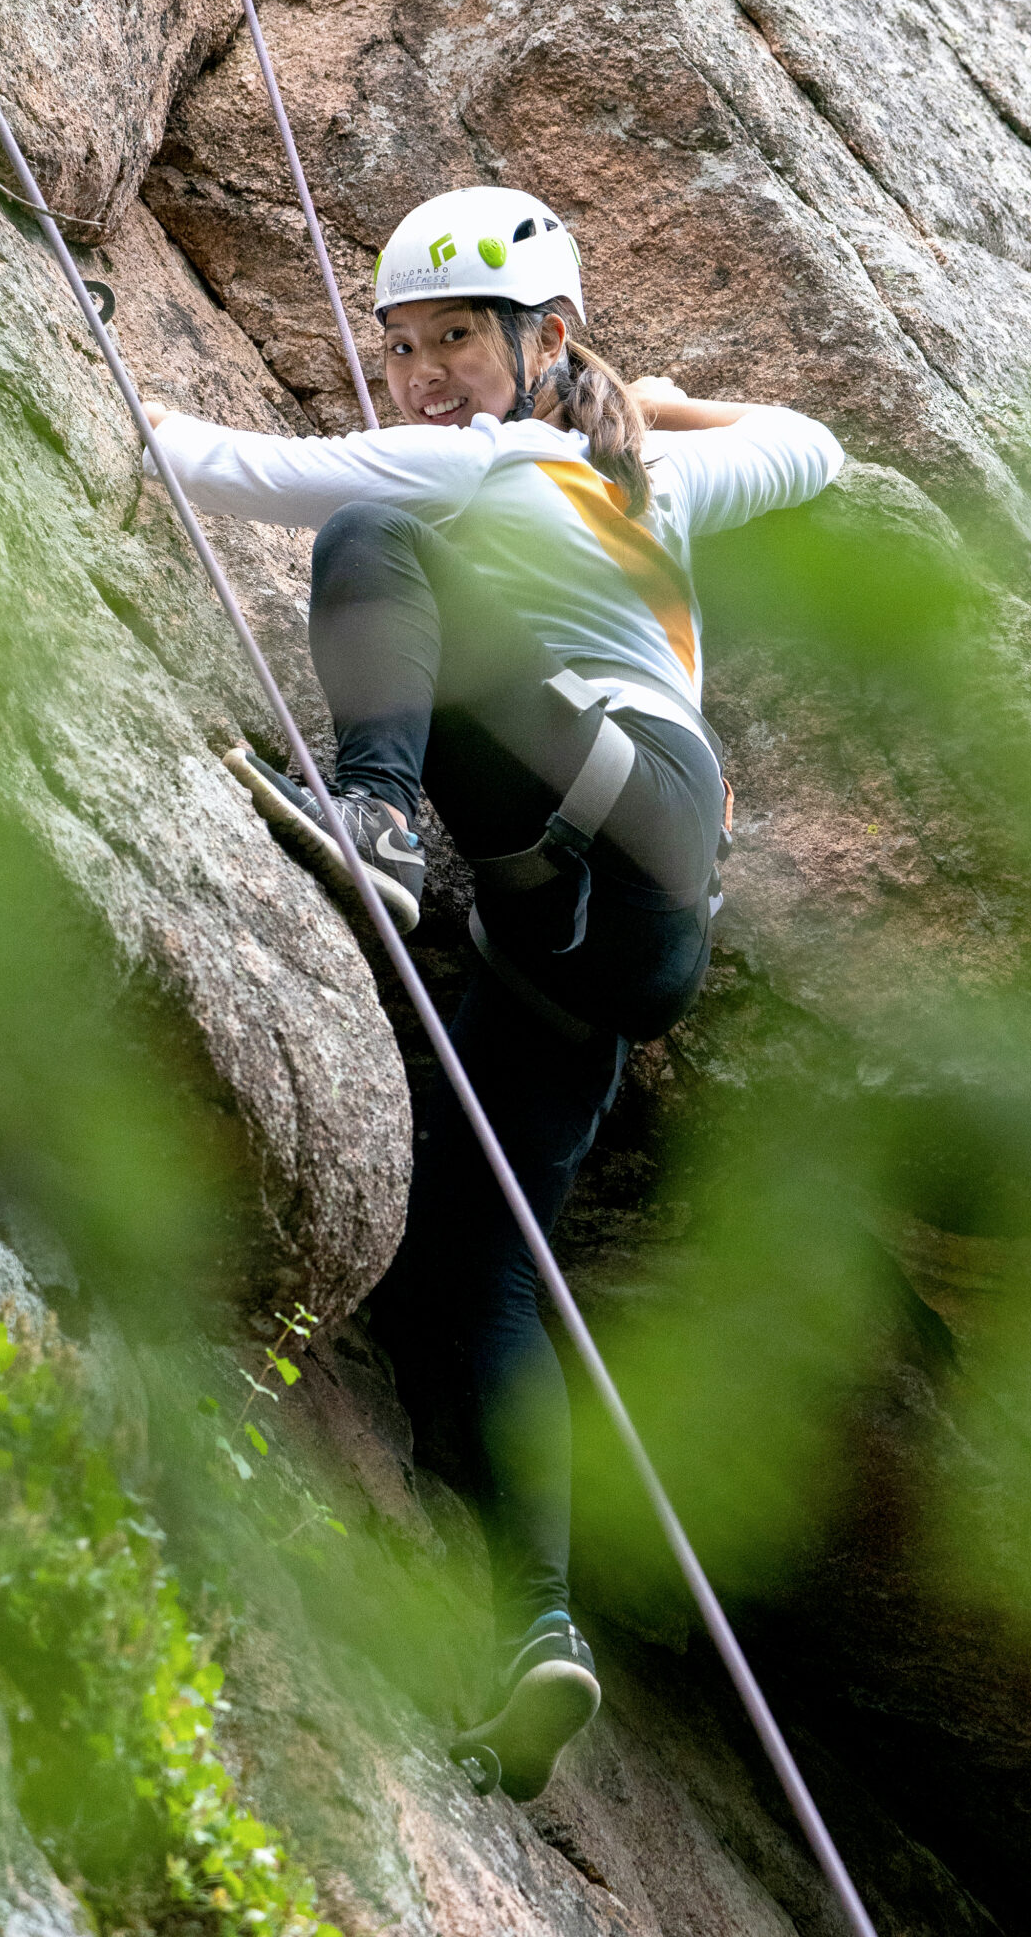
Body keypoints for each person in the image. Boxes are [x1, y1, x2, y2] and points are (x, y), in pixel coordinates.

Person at [143, 184, 842, 1799]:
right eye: (401, 351)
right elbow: (811, 442)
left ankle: (375, 815)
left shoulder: (491, 460)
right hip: (611, 942)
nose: (424, 375)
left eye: (454, 338)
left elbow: (221, 468)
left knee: (374, 536)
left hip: (618, 808)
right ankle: (537, 1626)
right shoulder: (651, 483)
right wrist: (653, 407)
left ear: (537, 340)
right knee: (479, 1265)